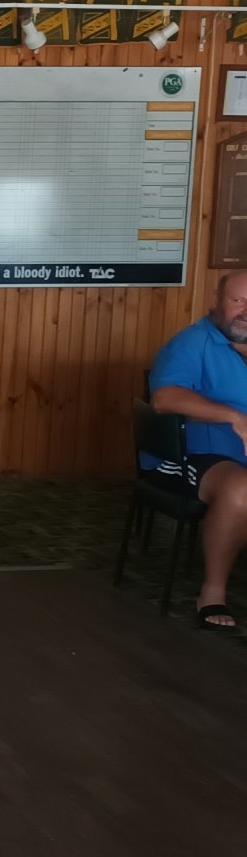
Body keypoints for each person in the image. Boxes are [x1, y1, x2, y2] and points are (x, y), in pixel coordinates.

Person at [149, 269, 247, 630]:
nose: (246, 311)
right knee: (241, 489)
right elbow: (164, 398)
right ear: (216, 301)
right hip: (197, 453)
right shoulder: (191, 343)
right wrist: (233, 417)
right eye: (238, 301)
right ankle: (213, 591)